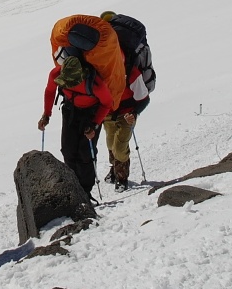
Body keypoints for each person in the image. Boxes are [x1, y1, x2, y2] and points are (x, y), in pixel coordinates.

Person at [38, 14, 126, 194]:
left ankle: (85, 192)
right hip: (70, 110)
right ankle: (72, 189)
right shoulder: (57, 73)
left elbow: (107, 103)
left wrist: (94, 125)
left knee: (86, 154)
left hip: (92, 113)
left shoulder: (94, 82)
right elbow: (49, 91)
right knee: (68, 150)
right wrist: (46, 115)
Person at [100, 12, 154, 190]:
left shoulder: (131, 71)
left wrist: (134, 113)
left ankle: (122, 178)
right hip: (109, 111)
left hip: (126, 112)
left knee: (120, 145)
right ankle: (115, 170)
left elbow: (144, 98)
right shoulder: (103, 68)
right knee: (110, 143)